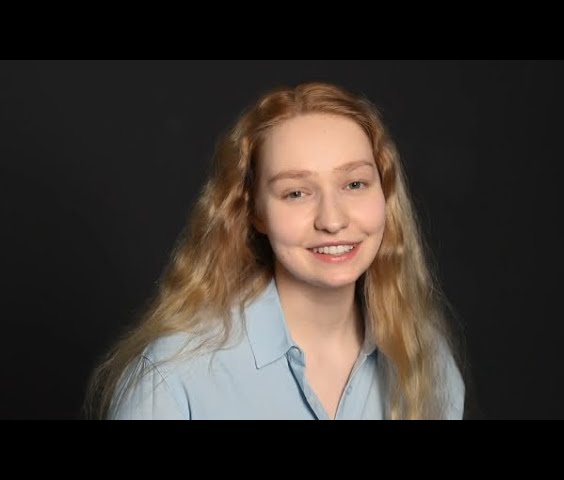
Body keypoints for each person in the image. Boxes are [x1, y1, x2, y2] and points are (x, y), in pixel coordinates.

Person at [84, 81, 470, 420]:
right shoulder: (172, 376)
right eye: (296, 193)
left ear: (384, 193)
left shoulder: (426, 360)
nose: (332, 220)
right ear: (254, 211)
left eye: (354, 184)